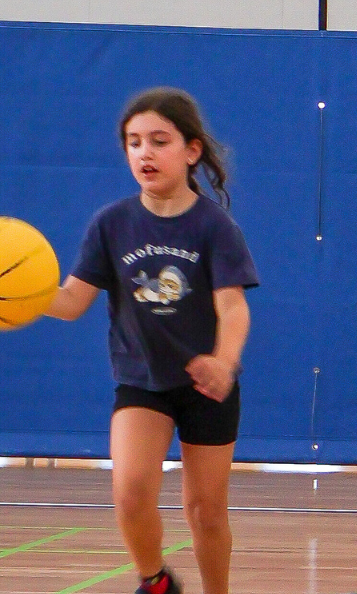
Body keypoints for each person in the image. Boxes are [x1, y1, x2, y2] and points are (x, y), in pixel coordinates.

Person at [44, 87, 258, 594]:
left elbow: (233, 306)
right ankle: (155, 581)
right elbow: (72, 302)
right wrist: (23, 296)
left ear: (191, 151)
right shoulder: (111, 224)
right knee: (131, 492)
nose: (144, 152)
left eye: (159, 141)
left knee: (205, 510)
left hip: (206, 387)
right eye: (134, 142)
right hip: (142, 382)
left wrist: (224, 361)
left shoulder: (214, 226)